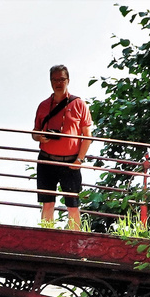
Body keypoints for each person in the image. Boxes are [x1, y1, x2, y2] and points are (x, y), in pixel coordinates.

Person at [32, 64, 93, 230]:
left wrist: (79, 160)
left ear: (68, 80)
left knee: (73, 205)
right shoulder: (43, 106)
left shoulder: (79, 104)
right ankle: (47, 237)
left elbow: (87, 136)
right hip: (46, 160)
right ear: (50, 81)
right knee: (47, 203)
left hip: (71, 162)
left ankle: (75, 239)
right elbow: (34, 132)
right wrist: (39, 137)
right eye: (55, 80)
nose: (58, 83)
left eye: (61, 79)